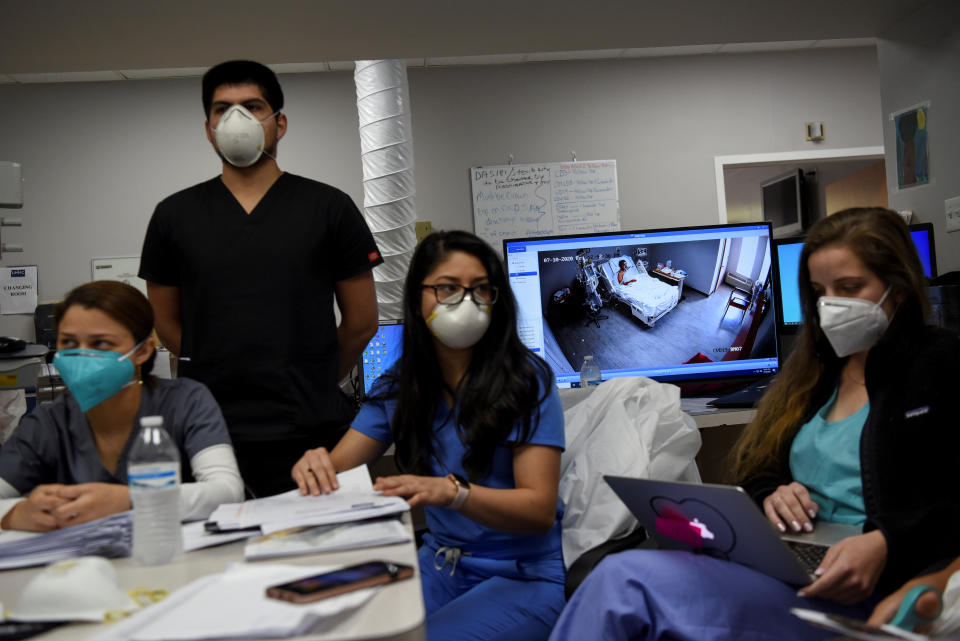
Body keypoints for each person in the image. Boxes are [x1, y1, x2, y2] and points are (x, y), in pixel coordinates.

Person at [548, 207, 960, 641]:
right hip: (793, 562)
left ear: (896, 288)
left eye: (850, 288)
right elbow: (760, 471)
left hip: (870, 583)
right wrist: (773, 494)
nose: (830, 306)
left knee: (625, 585)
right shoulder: (814, 373)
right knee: (619, 570)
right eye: (820, 292)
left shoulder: (940, 364)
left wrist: (888, 542)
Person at [291, 231, 566, 641]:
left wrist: (453, 492)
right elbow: (336, 468)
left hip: (522, 577)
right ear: (418, 301)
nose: (466, 303)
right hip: (440, 566)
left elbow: (539, 509)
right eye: (447, 288)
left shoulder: (527, 382)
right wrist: (314, 464)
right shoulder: (403, 384)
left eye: (480, 290)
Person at [138, 60, 381, 497]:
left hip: (312, 431)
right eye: (222, 109)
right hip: (210, 433)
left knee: (322, 556)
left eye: (252, 106)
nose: (237, 120)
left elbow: (362, 321)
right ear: (208, 128)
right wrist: (223, 367)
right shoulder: (174, 216)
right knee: (218, 558)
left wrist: (313, 375)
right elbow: (167, 324)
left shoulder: (329, 208)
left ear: (279, 123)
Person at [0, 281, 243, 532]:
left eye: (102, 344)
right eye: (69, 343)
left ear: (143, 351)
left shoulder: (186, 402)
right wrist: (16, 513)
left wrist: (130, 500)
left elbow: (226, 491)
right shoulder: (49, 422)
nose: (82, 357)